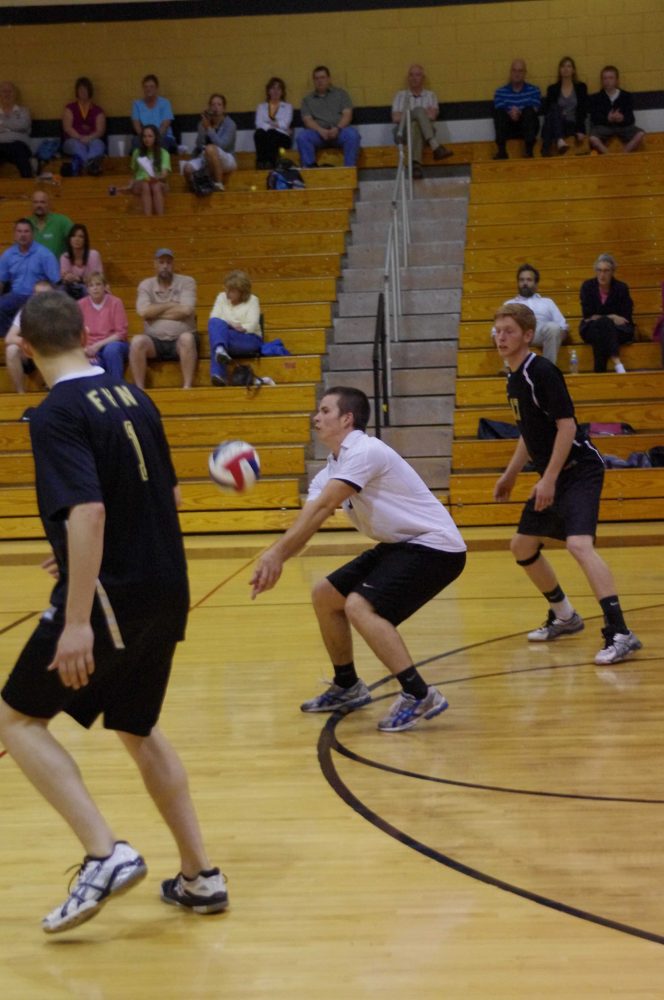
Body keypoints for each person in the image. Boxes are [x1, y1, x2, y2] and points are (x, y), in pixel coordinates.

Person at [0, 291, 227, 934]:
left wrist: (76, 618)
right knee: (136, 723)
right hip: (165, 585)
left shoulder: (52, 414)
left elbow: (90, 512)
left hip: (109, 597)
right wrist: (71, 555)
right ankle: (199, 876)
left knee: (14, 718)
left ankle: (104, 853)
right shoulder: (137, 395)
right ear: (83, 333)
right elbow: (162, 494)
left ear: (23, 346)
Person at [250, 386, 467, 732]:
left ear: (347, 418)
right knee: (325, 595)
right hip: (400, 544)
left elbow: (322, 508)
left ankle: (418, 693)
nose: (315, 417)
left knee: (359, 606)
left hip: (434, 547)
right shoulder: (332, 467)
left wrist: (277, 553)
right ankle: (347, 685)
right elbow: (310, 519)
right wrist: (278, 556)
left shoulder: (366, 451)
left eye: (324, 411)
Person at [492, 303, 641, 665]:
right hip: (554, 475)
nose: (501, 336)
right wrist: (511, 474)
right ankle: (565, 616)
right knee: (522, 546)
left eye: (509, 330)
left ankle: (620, 633)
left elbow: (567, 426)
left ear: (528, 335)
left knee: (578, 544)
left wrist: (549, 479)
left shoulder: (541, 371)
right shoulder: (514, 378)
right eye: (497, 330)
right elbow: (529, 433)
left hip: (579, 469)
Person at [131, 248, 197, 390]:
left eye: (168, 262)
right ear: (155, 265)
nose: (165, 266)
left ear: (173, 264)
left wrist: (154, 313)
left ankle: (187, 387)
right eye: (161, 262)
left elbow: (186, 310)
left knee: (187, 339)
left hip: (179, 339)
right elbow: (143, 312)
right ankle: (139, 390)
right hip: (154, 340)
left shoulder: (187, 282)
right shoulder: (145, 285)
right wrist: (171, 305)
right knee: (137, 342)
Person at [491, 264, 569, 364]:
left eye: (529, 280)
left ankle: (548, 367)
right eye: (521, 280)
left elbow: (563, 327)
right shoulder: (509, 304)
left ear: (536, 284)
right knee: (507, 330)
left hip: (540, 334)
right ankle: (511, 368)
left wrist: (555, 338)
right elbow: (495, 332)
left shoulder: (547, 302)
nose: (525, 283)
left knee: (553, 327)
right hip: (518, 335)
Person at [0, 218, 60, 336]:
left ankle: (21, 337)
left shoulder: (45, 254)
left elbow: (57, 283)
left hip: (37, 297)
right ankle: (11, 337)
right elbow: (1, 281)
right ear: (15, 234)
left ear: (33, 234)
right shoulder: (8, 255)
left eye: (26, 231)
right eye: (19, 231)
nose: (23, 235)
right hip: (15, 296)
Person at [391, 64, 451, 179]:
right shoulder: (400, 95)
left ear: (423, 78)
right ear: (408, 78)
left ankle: (415, 166)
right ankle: (435, 146)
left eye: (418, 75)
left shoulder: (431, 95)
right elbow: (395, 118)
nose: (414, 78)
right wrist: (421, 114)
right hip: (403, 132)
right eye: (411, 75)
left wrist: (408, 115)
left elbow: (433, 116)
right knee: (419, 111)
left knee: (415, 125)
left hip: (423, 133)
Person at [579, 253, 634, 373]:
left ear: (613, 271)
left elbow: (626, 316)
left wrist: (601, 318)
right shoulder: (587, 287)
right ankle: (617, 361)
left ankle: (599, 372)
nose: (602, 275)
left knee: (602, 330)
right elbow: (588, 315)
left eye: (606, 271)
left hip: (619, 330)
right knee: (604, 324)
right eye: (599, 270)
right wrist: (612, 316)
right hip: (591, 328)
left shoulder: (621, 288)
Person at [297, 66, 361, 168]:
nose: (320, 81)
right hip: (318, 134)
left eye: (322, 77)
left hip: (339, 132)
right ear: (313, 81)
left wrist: (337, 128)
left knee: (353, 135)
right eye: (316, 78)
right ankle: (310, 172)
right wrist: (320, 130)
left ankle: (349, 170)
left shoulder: (341, 94)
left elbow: (347, 115)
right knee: (302, 137)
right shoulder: (307, 99)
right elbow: (307, 120)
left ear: (329, 79)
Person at [208, 270, 262, 387]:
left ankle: (219, 374)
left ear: (242, 292)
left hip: (249, 339)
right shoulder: (221, 297)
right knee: (215, 325)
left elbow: (251, 326)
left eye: (231, 291)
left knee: (217, 338)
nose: (227, 294)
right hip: (227, 336)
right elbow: (214, 318)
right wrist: (232, 324)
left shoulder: (253, 300)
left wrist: (225, 324)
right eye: (226, 289)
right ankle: (220, 350)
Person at [3, 279, 54, 393]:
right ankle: (21, 393)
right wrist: (29, 342)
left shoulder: (58, 312)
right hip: (30, 353)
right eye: (38, 294)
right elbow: (9, 338)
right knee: (11, 350)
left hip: (50, 353)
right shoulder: (25, 311)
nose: (40, 297)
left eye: (45, 294)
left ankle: (52, 389)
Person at [78, 272, 129, 380]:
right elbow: (77, 333)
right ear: (87, 289)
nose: (95, 288)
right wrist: (85, 350)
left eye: (98, 284)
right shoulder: (80, 305)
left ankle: (117, 387)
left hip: (112, 343)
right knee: (93, 366)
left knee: (111, 351)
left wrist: (98, 346)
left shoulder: (116, 302)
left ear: (105, 287)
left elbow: (121, 333)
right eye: (91, 285)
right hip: (90, 348)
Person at [183, 94, 236, 192]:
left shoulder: (230, 124)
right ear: (209, 107)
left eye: (219, 104)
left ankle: (218, 184)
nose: (216, 107)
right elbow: (199, 145)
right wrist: (203, 128)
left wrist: (209, 129)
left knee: (210, 149)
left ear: (224, 108)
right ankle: (197, 189)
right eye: (213, 104)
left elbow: (223, 145)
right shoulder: (203, 123)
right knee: (187, 168)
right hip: (206, 156)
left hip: (226, 158)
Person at [588, 66, 645, 155]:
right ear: (602, 81)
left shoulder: (626, 96)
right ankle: (609, 155)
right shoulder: (596, 98)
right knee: (592, 138)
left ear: (617, 80)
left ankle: (623, 154)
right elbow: (594, 118)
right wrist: (607, 118)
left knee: (640, 134)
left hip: (623, 127)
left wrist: (622, 118)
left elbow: (631, 119)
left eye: (611, 78)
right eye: (605, 78)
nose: (607, 81)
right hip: (605, 128)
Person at [493, 59, 541, 160]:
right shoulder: (500, 92)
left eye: (520, 71)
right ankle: (502, 152)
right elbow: (499, 108)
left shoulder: (534, 90)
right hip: (508, 128)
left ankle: (529, 151)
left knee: (529, 111)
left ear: (525, 73)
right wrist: (511, 113)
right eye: (514, 70)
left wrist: (519, 112)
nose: (517, 74)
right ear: (510, 72)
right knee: (500, 113)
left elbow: (535, 109)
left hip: (527, 128)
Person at [540, 57, 588, 156]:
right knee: (554, 108)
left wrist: (580, 130)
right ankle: (560, 140)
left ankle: (546, 147)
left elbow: (582, 111)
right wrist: (559, 112)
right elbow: (548, 111)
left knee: (554, 110)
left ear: (573, 70)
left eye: (569, 66)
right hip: (557, 123)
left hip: (572, 125)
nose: (565, 69)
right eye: (563, 66)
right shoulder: (552, 89)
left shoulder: (581, 87)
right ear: (559, 70)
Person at [61, 76, 106, 176]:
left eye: (85, 89)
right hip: (73, 139)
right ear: (77, 91)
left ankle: (88, 165)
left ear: (90, 91)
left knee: (99, 144)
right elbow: (67, 128)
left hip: (92, 139)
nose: (83, 92)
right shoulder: (70, 108)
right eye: (80, 89)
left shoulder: (98, 110)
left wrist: (88, 138)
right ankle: (90, 167)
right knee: (77, 146)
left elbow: (100, 131)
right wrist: (80, 137)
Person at [130, 125, 170, 216]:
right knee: (145, 185)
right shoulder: (137, 152)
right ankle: (148, 220)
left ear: (156, 138)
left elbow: (164, 174)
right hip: (141, 182)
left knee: (154, 185)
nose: (146, 139)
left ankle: (161, 220)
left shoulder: (163, 153)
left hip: (158, 181)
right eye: (144, 136)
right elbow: (134, 173)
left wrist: (156, 177)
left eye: (150, 136)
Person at [254, 77, 293, 170]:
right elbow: (258, 123)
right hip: (265, 134)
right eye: (273, 88)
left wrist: (268, 124)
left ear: (282, 92)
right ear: (268, 91)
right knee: (258, 133)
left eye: (278, 88)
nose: (275, 91)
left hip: (282, 137)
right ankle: (261, 162)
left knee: (272, 134)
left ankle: (270, 163)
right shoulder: (261, 107)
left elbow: (286, 123)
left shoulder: (288, 107)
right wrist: (275, 124)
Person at [131, 73, 177, 153]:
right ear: (143, 88)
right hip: (144, 137)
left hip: (163, 136)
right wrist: (145, 138)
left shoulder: (165, 103)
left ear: (156, 88)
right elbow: (137, 125)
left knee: (163, 143)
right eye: (146, 87)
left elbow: (165, 125)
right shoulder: (136, 104)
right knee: (135, 141)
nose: (149, 89)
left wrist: (154, 138)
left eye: (151, 86)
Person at [60, 223, 103, 300]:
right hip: (71, 288)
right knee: (61, 290)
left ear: (85, 240)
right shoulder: (64, 257)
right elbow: (64, 278)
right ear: (69, 239)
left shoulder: (93, 255)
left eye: (81, 236)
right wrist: (67, 278)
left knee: (85, 289)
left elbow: (97, 279)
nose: (77, 239)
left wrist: (78, 279)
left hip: (90, 288)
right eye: (73, 236)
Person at [0, 80, 33, 178]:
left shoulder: (23, 111)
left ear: (15, 94)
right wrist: (13, 126)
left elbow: (23, 125)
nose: (7, 94)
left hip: (18, 145)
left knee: (20, 154)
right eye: (4, 91)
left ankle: (28, 184)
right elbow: (18, 126)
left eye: (10, 91)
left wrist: (3, 124)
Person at [30, 190, 74, 260]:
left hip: (58, 269)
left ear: (49, 204)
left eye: (42, 202)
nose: (39, 205)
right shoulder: (26, 223)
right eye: (36, 202)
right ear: (32, 204)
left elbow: (76, 241)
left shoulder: (62, 221)